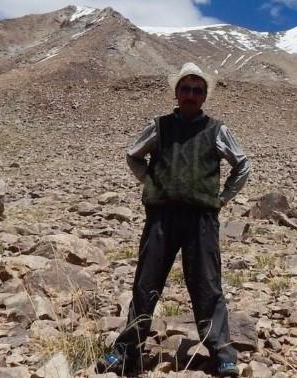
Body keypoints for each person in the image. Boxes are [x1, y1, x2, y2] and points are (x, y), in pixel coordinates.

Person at [99, 62, 251, 377]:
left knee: (207, 285)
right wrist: (153, 182)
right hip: (162, 217)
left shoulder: (217, 130)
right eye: (186, 89)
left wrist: (222, 198)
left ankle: (221, 353)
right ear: (177, 92)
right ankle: (127, 352)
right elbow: (133, 155)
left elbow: (242, 166)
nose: (191, 95)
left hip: (201, 219)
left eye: (197, 90)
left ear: (205, 95)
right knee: (146, 283)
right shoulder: (159, 126)